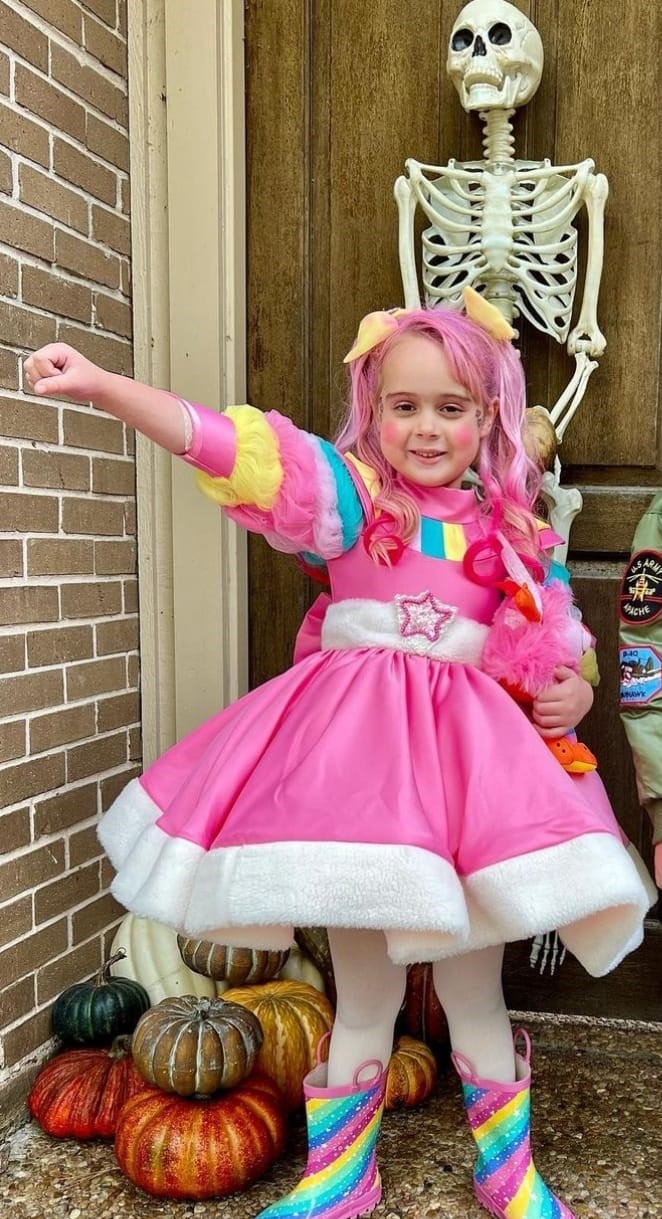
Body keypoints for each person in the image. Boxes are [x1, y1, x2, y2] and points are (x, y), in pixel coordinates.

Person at [24, 292, 656, 1219]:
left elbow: (560, 647)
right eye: (405, 406)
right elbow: (233, 449)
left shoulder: (516, 533)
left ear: (489, 416)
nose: (427, 427)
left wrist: (577, 693)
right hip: (356, 787)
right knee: (364, 994)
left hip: (472, 791)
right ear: (374, 410)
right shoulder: (355, 503)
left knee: (473, 989)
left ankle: (508, 1170)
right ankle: (340, 1176)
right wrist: (106, 386)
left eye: (451, 407)